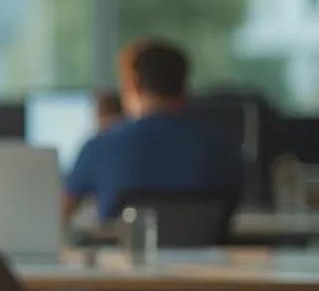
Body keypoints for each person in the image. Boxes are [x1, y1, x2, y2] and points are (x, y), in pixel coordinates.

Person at [64, 38, 243, 221]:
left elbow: (57, 217)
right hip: (198, 250)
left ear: (133, 85)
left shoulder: (99, 147)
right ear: (184, 88)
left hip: (125, 250)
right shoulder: (222, 150)